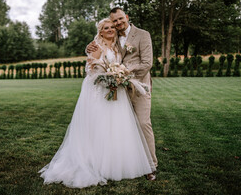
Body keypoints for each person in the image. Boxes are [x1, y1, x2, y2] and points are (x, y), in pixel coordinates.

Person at [39, 18, 156, 188]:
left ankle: (115, 163)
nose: (110, 30)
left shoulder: (117, 47)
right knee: (98, 126)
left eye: (112, 28)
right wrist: (107, 79)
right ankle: (95, 163)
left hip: (116, 89)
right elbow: (90, 69)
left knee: (115, 127)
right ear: (100, 31)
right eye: (106, 28)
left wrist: (117, 77)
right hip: (99, 90)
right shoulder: (96, 46)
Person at [87, 7, 157, 180]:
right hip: (118, 90)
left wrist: (124, 73)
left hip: (138, 86)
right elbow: (103, 46)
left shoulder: (142, 34)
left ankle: (151, 165)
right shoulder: (115, 36)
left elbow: (147, 63)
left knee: (142, 124)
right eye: (114, 21)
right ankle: (127, 162)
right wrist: (90, 46)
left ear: (126, 17)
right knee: (123, 128)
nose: (117, 24)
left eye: (119, 19)